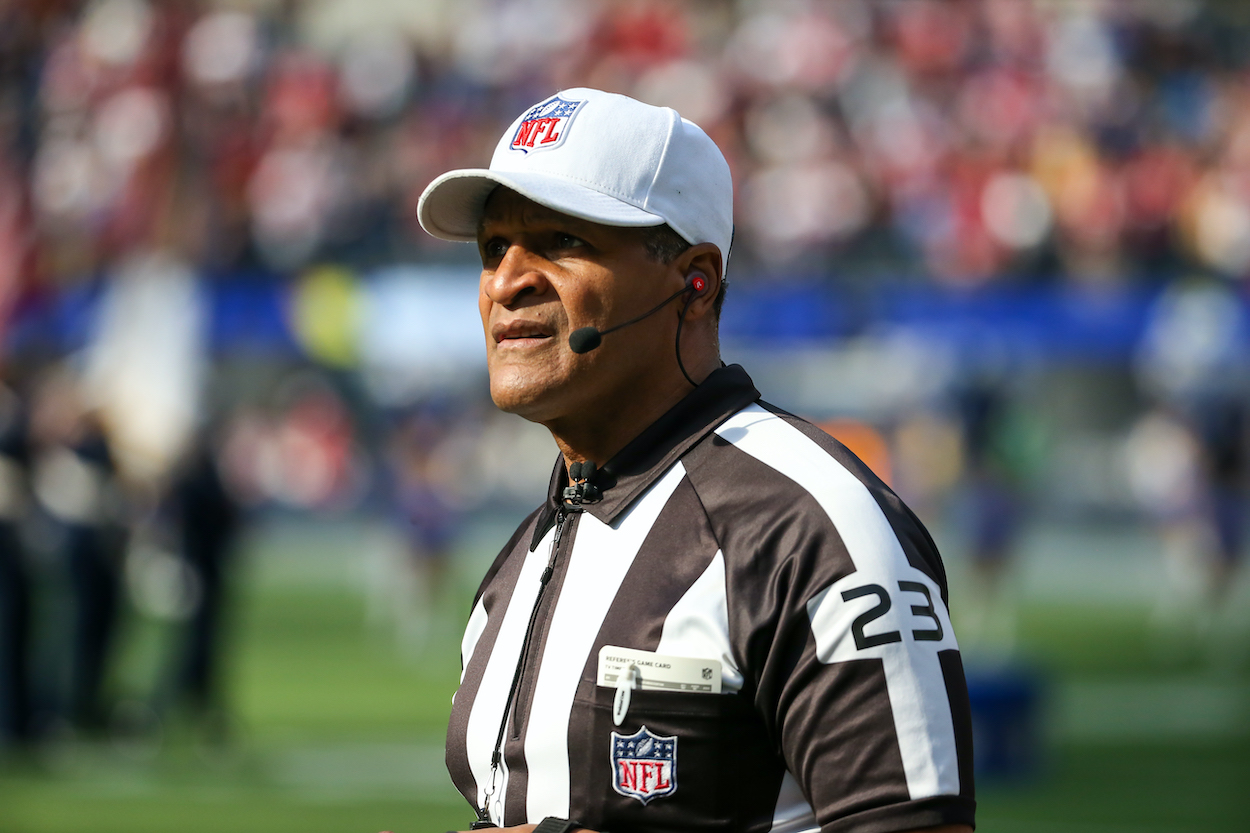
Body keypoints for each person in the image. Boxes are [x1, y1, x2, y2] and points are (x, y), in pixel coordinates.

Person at [417, 88, 975, 833]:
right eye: (493, 250)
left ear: (695, 280)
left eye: (560, 241)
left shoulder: (812, 527)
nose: (506, 282)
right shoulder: (529, 551)